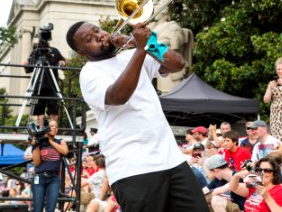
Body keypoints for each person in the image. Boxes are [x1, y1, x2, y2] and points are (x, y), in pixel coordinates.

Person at [66, 21, 209, 211]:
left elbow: (177, 64)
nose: (99, 36)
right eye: (89, 39)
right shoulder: (90, 73)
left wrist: (147, 44)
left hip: (171, 159)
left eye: (97, 30)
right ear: (82, 53)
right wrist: (140, 49)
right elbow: (119, 96)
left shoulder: (131, 55)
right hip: (132, 168)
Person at [24, 37, 66, 125]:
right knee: (39, 111)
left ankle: (53, 129)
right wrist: (26, 63)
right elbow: (28, 67)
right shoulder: (35, 52)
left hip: (52, 85)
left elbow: (62, 61)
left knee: (54, 110)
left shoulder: (54, 51)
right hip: (37, 85)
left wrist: (61, 63)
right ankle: (41, 130)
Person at [31, 119, 68, 212]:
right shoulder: (39, 141)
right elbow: (36, 163)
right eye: (51, 126)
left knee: (51, 209)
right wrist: (36, 146)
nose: (54, 128)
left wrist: (50, 141)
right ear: (46, 128)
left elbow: (65, 151)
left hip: (54, 178)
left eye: (56, 126)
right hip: (39, 178)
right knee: (37, 209)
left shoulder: (60, 141)